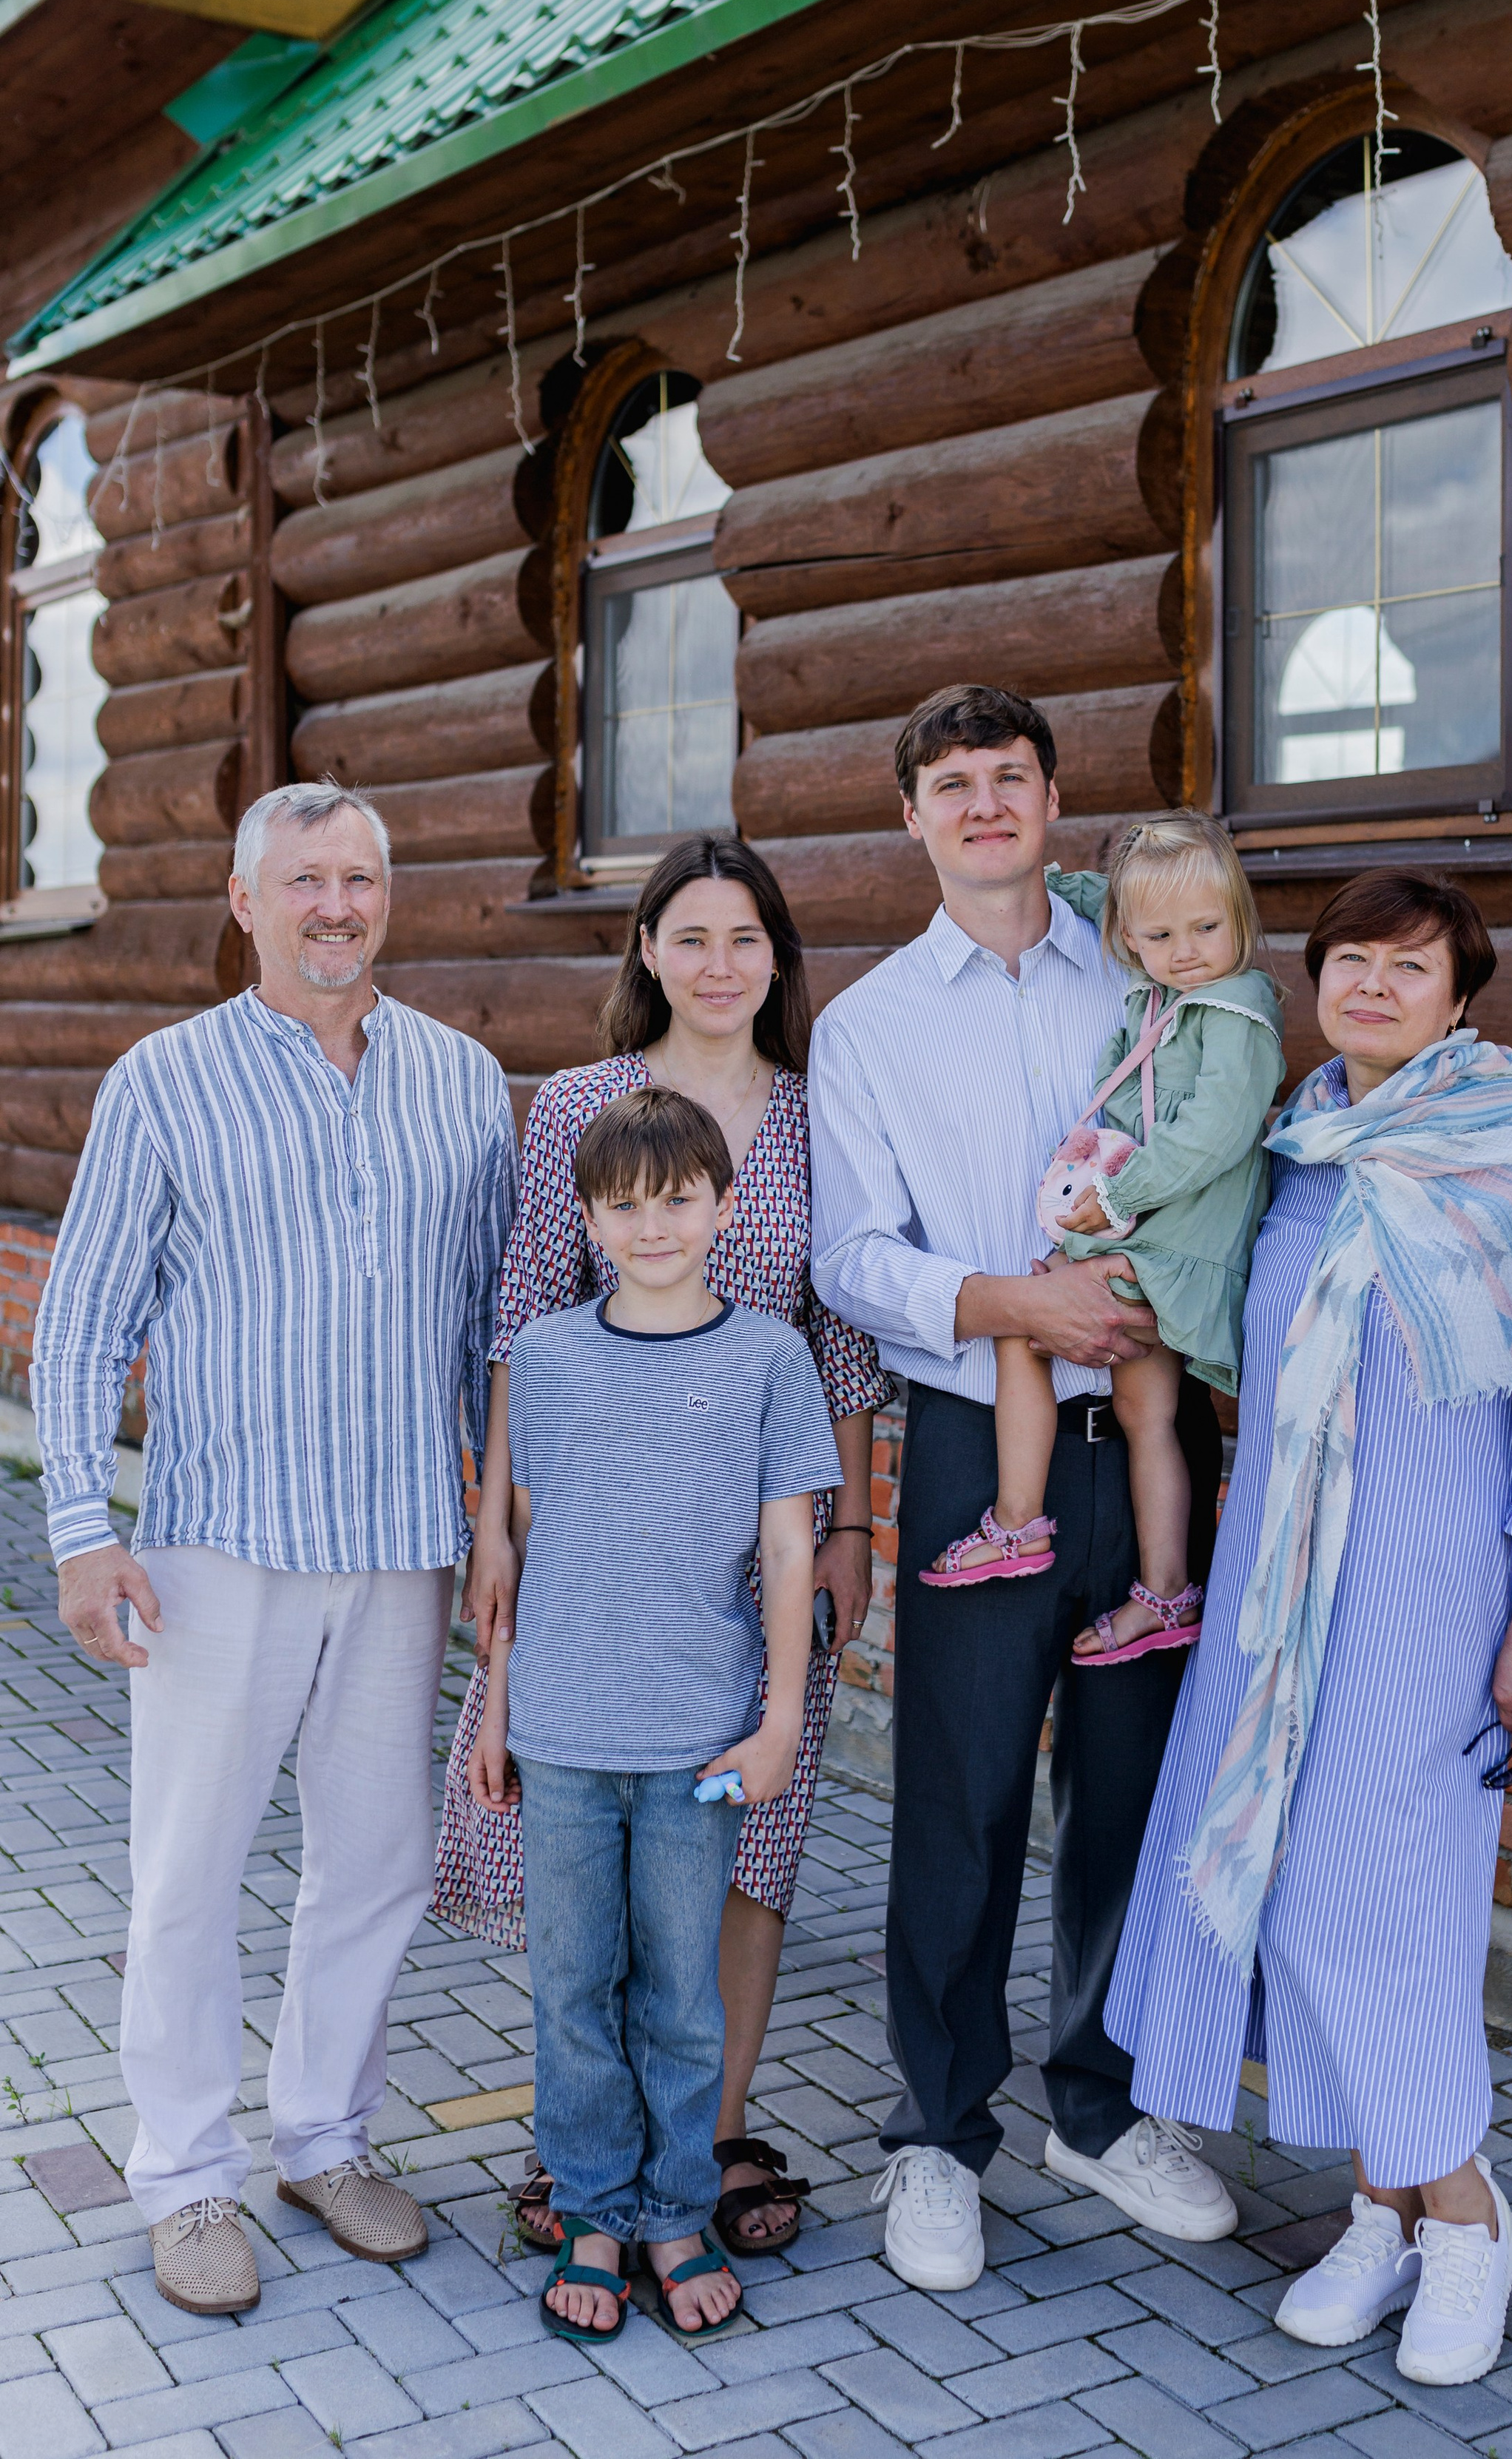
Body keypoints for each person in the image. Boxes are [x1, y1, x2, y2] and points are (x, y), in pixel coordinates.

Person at [1106, 869, 1512, 2389]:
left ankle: (1464, 2217)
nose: (1373, 988)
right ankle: (1377, 2209)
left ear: (1461, 996)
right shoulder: (1295, 1149)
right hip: (1278, 1599)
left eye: (1410, 967)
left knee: (1374, 1899)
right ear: (1313, 982)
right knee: (1278, 1890)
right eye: (1348, 962)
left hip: (1428, 1598)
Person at [33, 783, 516, 2316]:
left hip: (398, 1543)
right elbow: (81, 1322)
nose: (334, 906)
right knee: (189, 1872)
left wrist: (497, 1531)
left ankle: (322, 2136)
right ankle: (184, 2175)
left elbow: (492, 1329)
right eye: (303, 880)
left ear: (389, 897)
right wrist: (76, 1532)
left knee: (372, 1867)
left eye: (360, 878)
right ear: (245, 903)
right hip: (216, 1542)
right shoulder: (161, 1081)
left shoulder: (461, 1078)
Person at [809, 684, 1238, 2296]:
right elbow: (849, 1257)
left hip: (1144, 1453)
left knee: (1125, 1796)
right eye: (950, 783)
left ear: (1052, 799)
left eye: (1008, 776)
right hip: (971, 1462)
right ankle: (932, 2134)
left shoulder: (1142, 980)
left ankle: (1099, 2104)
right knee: (962, 1801)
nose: (983, 803)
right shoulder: (867, 1026)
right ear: (910, 818)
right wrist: (1014, 1303)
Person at [439, 832, 888, 2261]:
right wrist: (495, 1526)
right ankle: (591, 2150)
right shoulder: (579, 1104)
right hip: (596, 1549)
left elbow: (847, 1340)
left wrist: (857, 1525)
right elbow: (521, 1328)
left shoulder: (827, 1118)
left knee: (748, 1834)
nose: (716, 964)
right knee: (594, 1840)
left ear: (776, 957)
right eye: (688, 936)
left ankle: (711, 2132)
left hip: (770, 1538)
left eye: (743, 938)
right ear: (646, 951)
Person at [468, 1088, 838, 2338]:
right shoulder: (556, 1357)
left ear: (725, 1206)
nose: (655, 1225)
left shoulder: (769, 1360)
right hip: (565, 1736)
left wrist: (782, 1719)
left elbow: (791, 1553)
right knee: (574, 1989)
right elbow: (525, 1550)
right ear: (588, 1218)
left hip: (699, 1743)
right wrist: (494, 1716)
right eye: (624, 1204)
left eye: (679, 1198)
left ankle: (676, 2208)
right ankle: (588, 2208)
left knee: (680, 1996)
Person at [920, 812, 1283, 1664]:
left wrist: (1115, 1192)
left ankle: (1017, 1520)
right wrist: (1038, 883)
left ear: (1238, 916)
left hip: (1174, 1241)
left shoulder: (1238, 1011)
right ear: (1128, 934)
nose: (1186, 948)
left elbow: (1213, 1133)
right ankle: (1165, 1592)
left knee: (1023, 1323)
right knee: (1144, 1411)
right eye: (1157, 934)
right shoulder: (1158, 978)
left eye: (1206, 928)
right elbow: (1098, 894)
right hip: (1150, 1235)